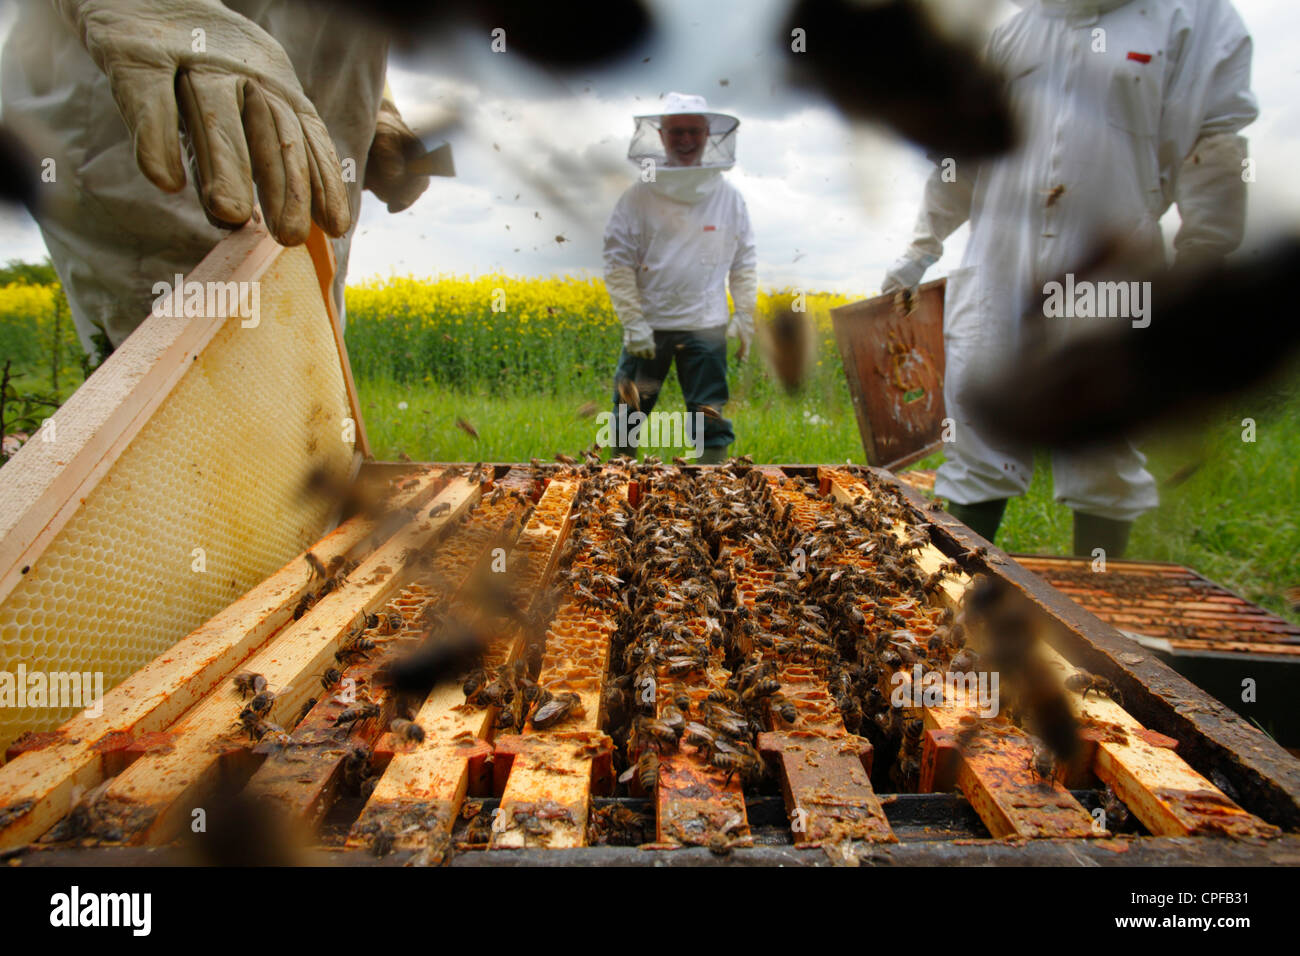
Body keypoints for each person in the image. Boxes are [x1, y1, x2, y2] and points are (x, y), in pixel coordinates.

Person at [881, 0, 1256, 557]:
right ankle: (952, 601)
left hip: (1111, 258)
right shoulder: (1012, 31)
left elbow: (1215, 143)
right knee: (977, 434)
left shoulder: (1192, 18)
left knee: (1103, 442)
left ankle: (1098, 620)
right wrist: (917, 252)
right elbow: (960, 158)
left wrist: (1203, 258)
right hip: (997, 262)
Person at [1, 0, 433, 356]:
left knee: (304, 370)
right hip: (146, 95)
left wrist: (379, 105)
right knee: (179, 390)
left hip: (319, 124)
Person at [603, 91, 757, 464]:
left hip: (706, 326)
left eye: (693, 131)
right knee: (628, 415)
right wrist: (633, 321)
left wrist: (745, 315)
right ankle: (614, 489)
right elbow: (618, 261)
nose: (686, 140)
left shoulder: (729, 199)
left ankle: (716, 493)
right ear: (661, 136)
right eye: (676, 132)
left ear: (708, 135)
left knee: (710, 416)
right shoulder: (638, 196)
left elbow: (743, 262)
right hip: (649, 328)